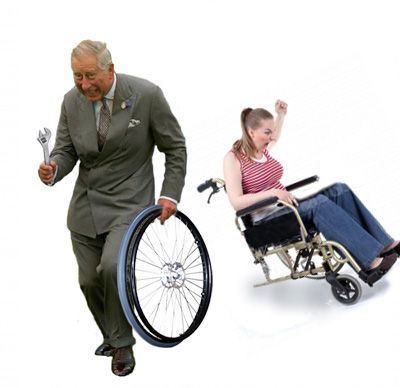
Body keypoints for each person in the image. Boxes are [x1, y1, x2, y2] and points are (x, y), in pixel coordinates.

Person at [38, 40, 186, 377]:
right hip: (86, 206)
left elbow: (175, 147)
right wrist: (54, 169)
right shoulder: (70, 102)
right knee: (89, 280)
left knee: (111, 268)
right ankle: (111, 334)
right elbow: (65, 150)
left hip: (130, 201)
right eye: (78, 77)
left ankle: (122, 345)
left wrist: (170, 195)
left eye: (91, 75)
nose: (85, 84)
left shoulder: (146, 95)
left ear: (110, 68)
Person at [223, 100, 399, 281]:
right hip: (268, 220)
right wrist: (273, 193)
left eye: (272, 130)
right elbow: (236, 201)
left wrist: (281, 114)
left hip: (289, 207)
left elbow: (275, 136)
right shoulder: (233, 158)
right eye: (267, 132)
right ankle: (369, 262)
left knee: (340, 190)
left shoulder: (262, 149)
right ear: (251, 132)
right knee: (320, 204)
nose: (271, 136)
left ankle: (384, 244)